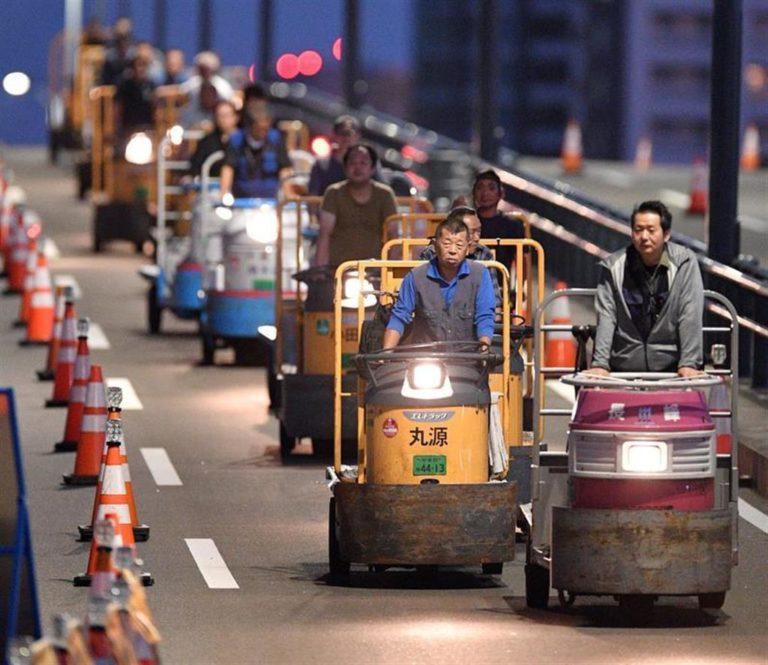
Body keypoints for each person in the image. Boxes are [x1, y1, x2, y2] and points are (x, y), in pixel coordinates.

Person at [588, 200, 704, 377]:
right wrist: (600, 363)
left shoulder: (684, 263)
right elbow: (606, 315)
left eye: (651, 230)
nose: (644, 236)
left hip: (671, 371)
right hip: (624, 370)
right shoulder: (614, 266)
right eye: (638, 230)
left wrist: (689, 362)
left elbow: (690, 313)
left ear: (666, 234)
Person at [383, 216, 495, 349]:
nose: (453, 250)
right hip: (424, 359)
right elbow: (399, 317)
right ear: (435, 245)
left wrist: (484, 349)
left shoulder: (480, 274)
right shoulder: (416, 277)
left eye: (459, 245)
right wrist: (386, 353)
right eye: (447, 244)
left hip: (467, 359)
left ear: (467, 249)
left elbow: (485, 317)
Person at [314, 144, 397, 267]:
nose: (357, 168)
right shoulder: (333, 193)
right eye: (353, 163)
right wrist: (320, 268)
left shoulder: (385, 194)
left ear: (373, 168)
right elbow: (325, 233)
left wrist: (392, 271)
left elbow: (393, 235)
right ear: (346, 168)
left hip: (375, 269)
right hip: (338, 269)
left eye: (363, 163)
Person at [419, 206, 502, 309]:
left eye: (479, 231)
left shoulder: (484, 254)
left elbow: (495, 303)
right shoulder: (430, 254)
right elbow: (423, 299)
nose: (477, 238)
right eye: (471, 232)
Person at [219, 106, 291, 200]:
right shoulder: (236, 140)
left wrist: (288, 194)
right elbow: (228, 168)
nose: (263, 132)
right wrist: (224, 194)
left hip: (271, 199)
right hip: (242, 199)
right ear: (250, 126)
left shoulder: (276, 139)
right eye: (259, 129)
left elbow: (284, 168)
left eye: (266, 129)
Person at [472, 169, 526, 269]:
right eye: (480, 188)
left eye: (491, 188)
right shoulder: (465, 223)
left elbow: (522, 261)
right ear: (473, 193)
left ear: (501, 194)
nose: (485, 193)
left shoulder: (513, 225)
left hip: (501, 283)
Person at [308, 115, 361, 196]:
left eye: (349, 133)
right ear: (334, 135)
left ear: (357, 136)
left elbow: (383, 196)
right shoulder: (321, 165)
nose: (346, 138)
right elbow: (312, 199)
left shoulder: (369, 163)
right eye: (342, 133)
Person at [178, 51, 234, 127]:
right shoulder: (189, 87)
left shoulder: (223, 88)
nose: (204, 72)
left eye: (207, 69)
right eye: (201, 69)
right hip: (190, 125)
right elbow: (181, 105)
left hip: (216, 127)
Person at [189, 100, 239, 177]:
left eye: (226, 115)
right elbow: (196, 165)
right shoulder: (207, 141)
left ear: (236, 117)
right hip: (211, 185)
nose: (223, 119)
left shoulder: (244, 140)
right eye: (220, 116)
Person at [115, 54, 156, 133]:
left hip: (147, 127)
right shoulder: (125, 85)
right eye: (139, 66)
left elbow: (155, 106)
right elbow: (118, 107)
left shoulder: (151, 85)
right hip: (129, 128)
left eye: (144, 66)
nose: (141, 69)